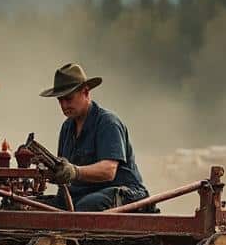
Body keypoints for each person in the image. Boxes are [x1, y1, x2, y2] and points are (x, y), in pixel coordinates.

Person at [39, 63, 148, 211]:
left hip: (124, 194)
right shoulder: (67, 128)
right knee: (36, 206)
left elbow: (108, 171)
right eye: (60, 100)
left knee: (88, 205)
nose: (64, 105)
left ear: (86, 92)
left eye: (68, 99)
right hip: (82, 195)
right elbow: (64, 174)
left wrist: (75, 172)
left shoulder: (108, 123)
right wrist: (50, 172)